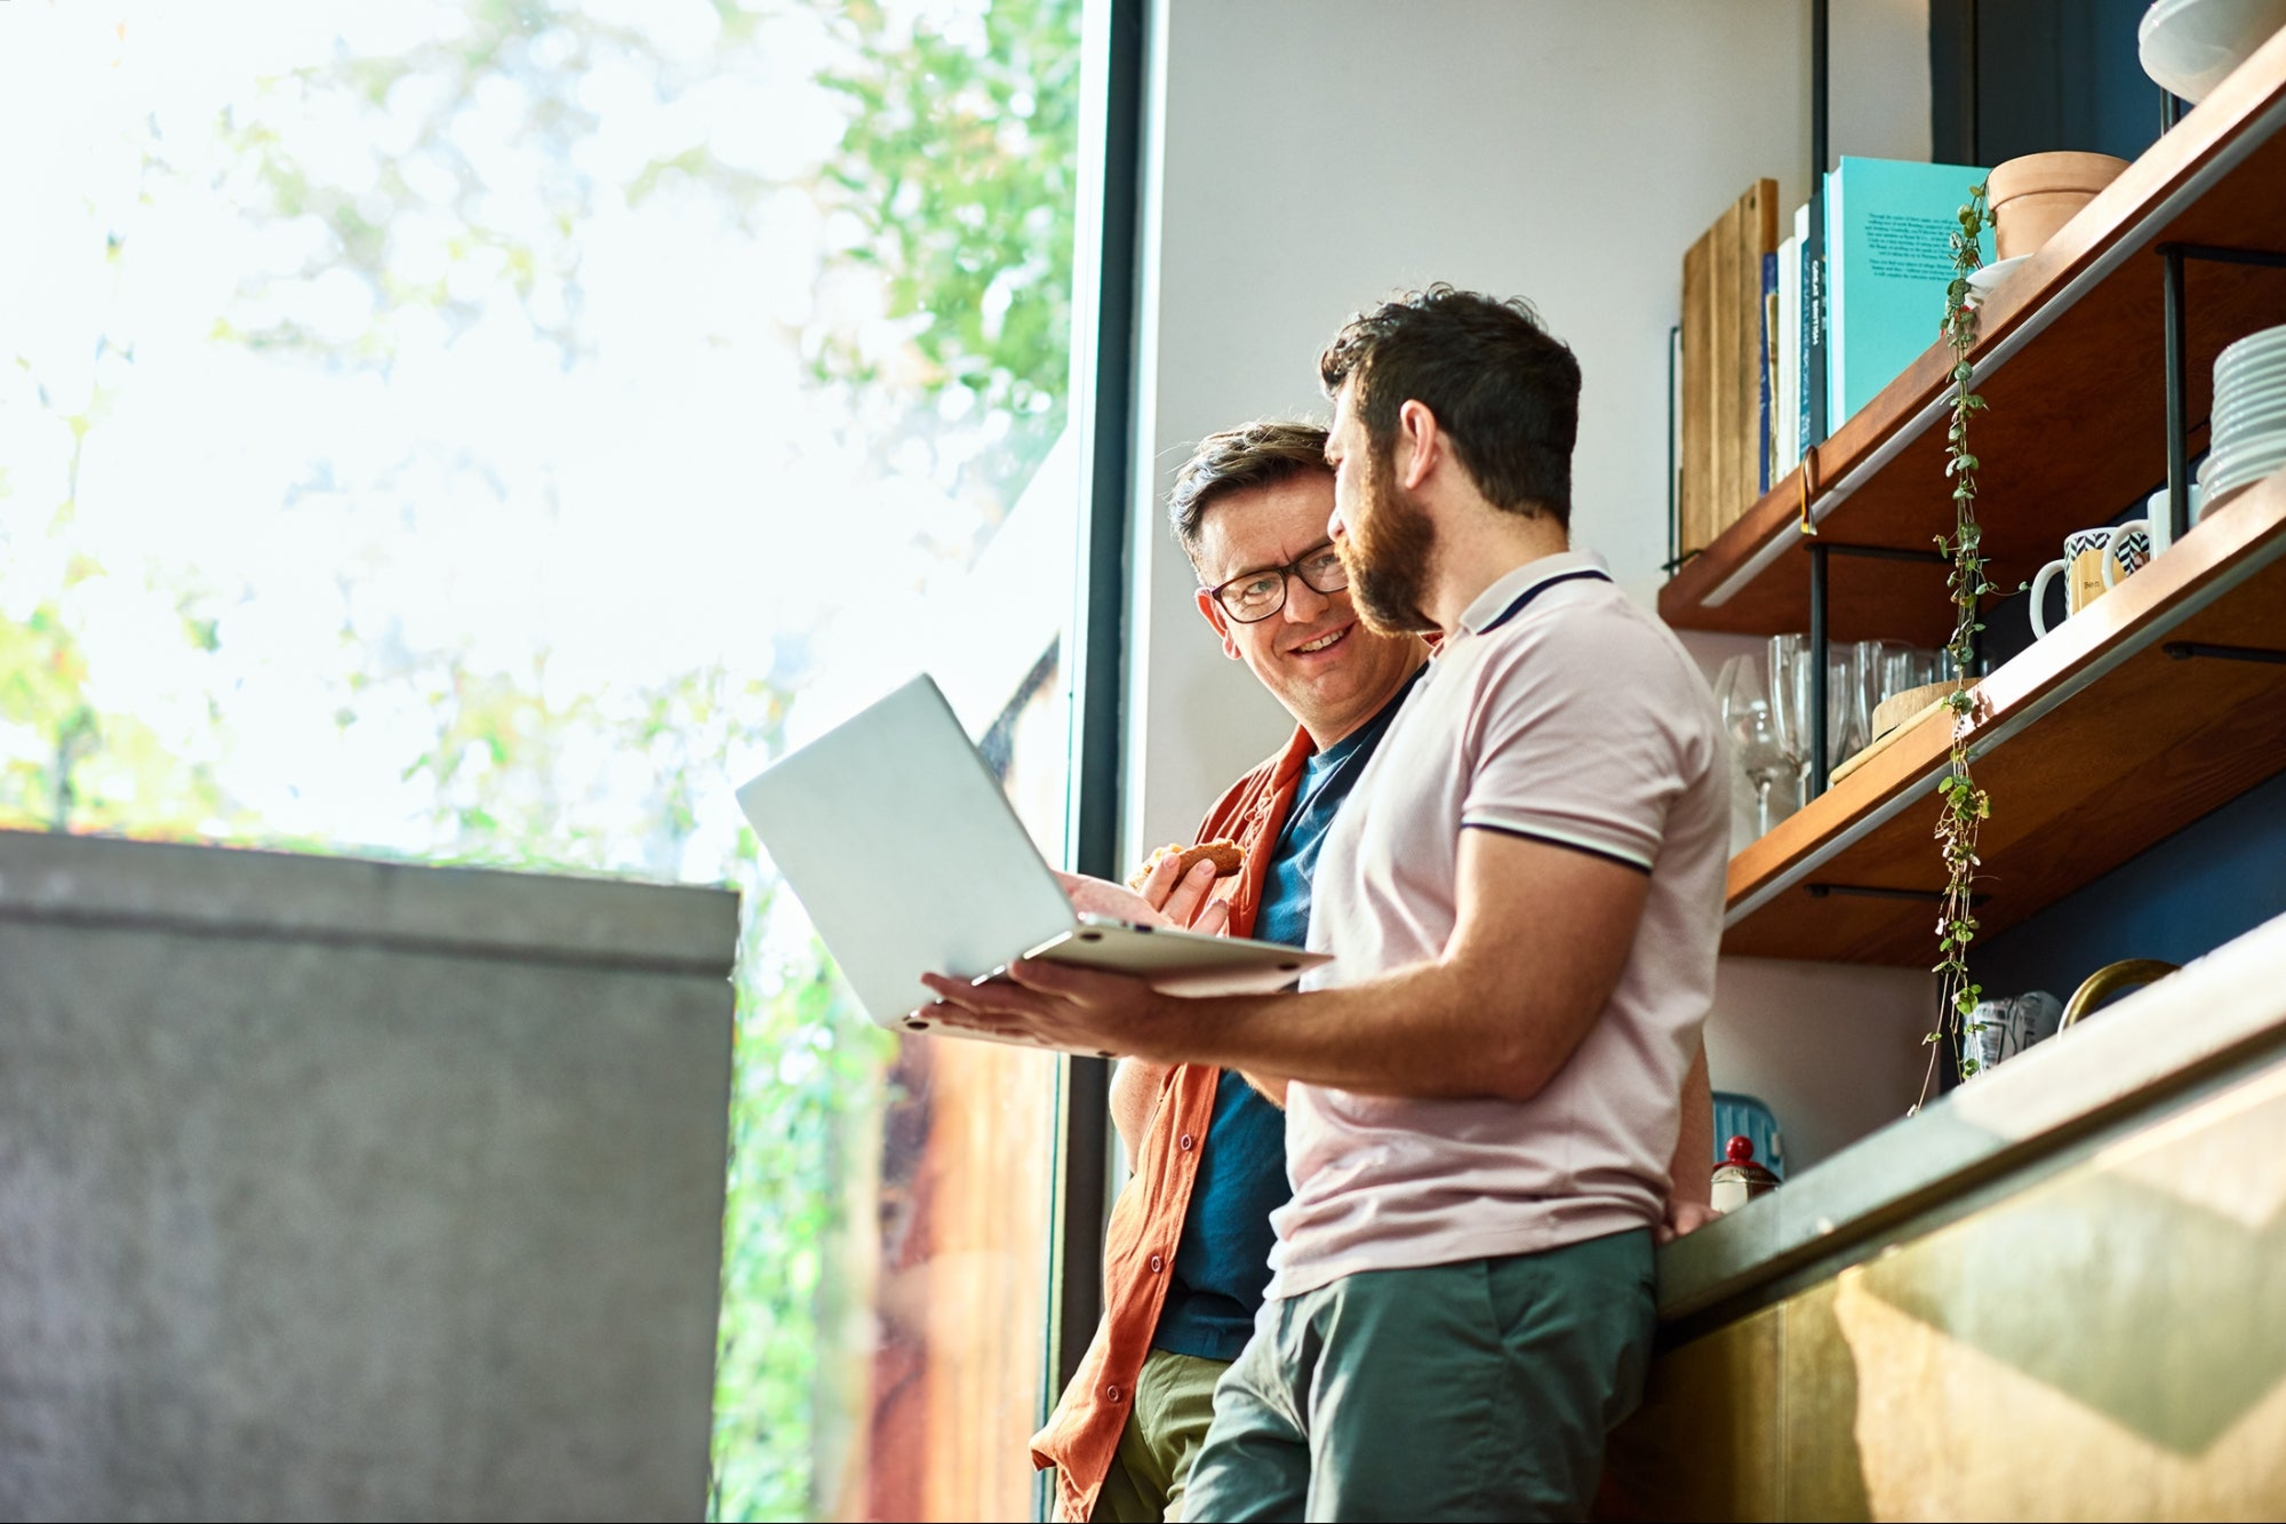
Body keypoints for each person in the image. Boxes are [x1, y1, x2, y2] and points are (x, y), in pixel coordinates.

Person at [927, 286, 1726, 1521]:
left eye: (1342, 472)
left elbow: (1509, 1023)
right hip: (1326, 1283)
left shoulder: (1578, 656)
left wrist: (1162, 1012)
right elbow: (1354, 1061)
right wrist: (1141, 963)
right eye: (1262, 584)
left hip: (1469, 1269)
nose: (1335, 548)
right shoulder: (1471, 684)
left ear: (1415, 445)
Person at [1032, 420, 1431, 1523]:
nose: (1300, 607)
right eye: (1255, 587)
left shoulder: (1460, 748)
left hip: (1297, 1357)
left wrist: (1206, 1000)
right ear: (1220, 623)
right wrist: (1146, 992)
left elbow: (1448, 1072)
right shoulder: (1241, 816)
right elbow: (1147, 1117)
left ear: (1374, 545)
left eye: (1324, 560)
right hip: (1140, 1361)